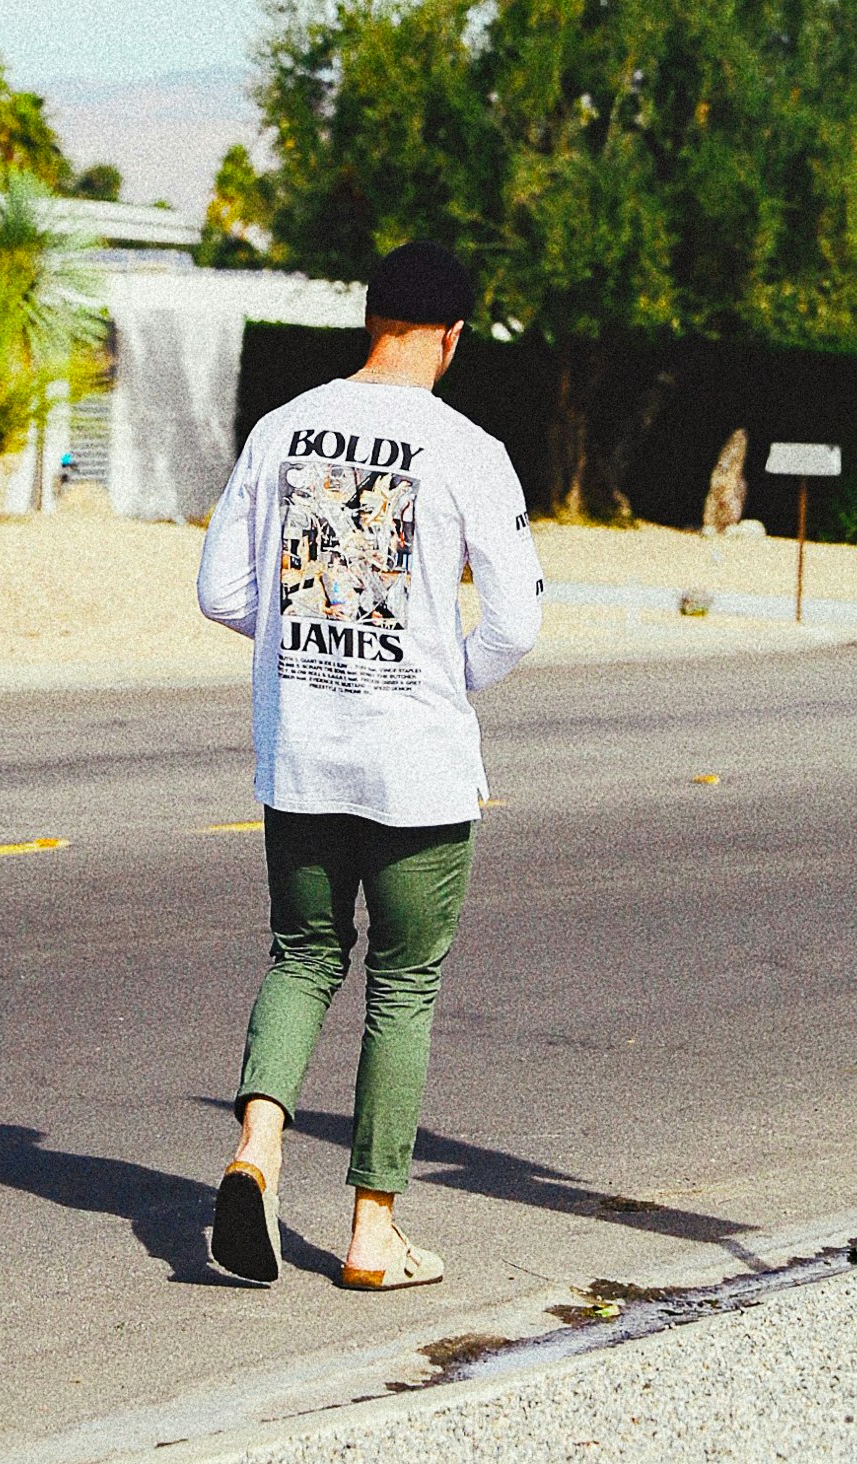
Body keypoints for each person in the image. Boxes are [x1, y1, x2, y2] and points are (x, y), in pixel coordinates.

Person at [196, 239, 543, 1290]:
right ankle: (370, 1233)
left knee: (302, 957)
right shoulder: (468, 447)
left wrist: (304, 647)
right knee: (403, 985)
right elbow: (516, 621)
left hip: (301, 749)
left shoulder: (281, 428)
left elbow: (220, 590)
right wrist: (445, 672)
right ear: (452, 336)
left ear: (368, 320)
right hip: (418, 764)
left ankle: (255, 1149)